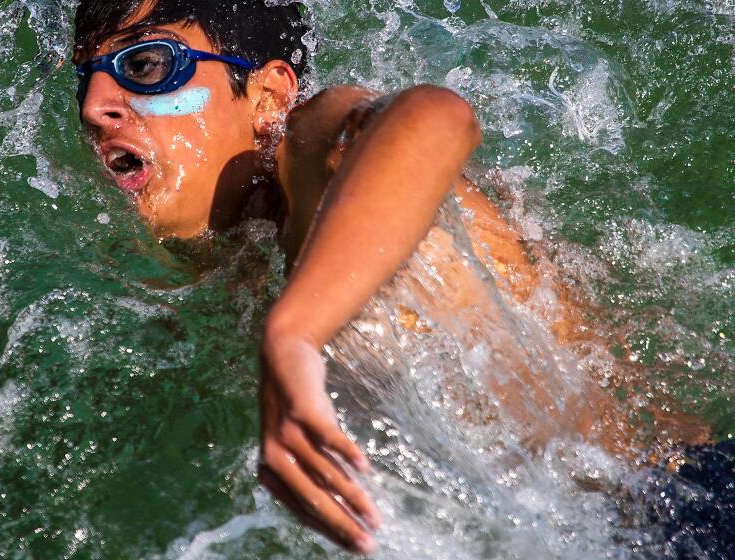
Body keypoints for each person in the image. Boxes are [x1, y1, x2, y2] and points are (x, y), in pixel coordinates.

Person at [71, 0, 715, 555]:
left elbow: (436, 117)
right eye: (87, 81)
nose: (98, 106)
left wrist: (291, 335)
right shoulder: (225, 268)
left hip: (677, 513)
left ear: (267, 98)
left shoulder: (309, 158)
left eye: (145, 65)